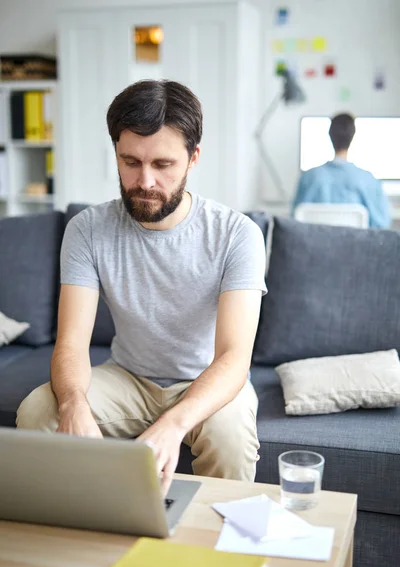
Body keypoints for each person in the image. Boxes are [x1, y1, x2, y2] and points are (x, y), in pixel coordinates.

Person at [16, 79, 267, 495]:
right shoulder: (88, 230)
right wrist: (73, 403)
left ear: (193, 159)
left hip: (204, 381)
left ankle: (213, 550)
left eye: (163, 165)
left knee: (230, 438)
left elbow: (234, 357)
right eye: (130, 161)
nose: (145, 180)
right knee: (38, 411)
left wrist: (174, 423)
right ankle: (81, 535)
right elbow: (72, 344)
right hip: (127, 378)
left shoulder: (237, 235)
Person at [293, 113, 391, 228]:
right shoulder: (368, 180)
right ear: (353, 137)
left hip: (315, 245)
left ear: (330, 136)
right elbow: (381, 224)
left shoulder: (308, 177)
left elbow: (295, 220)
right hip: (356, 245)